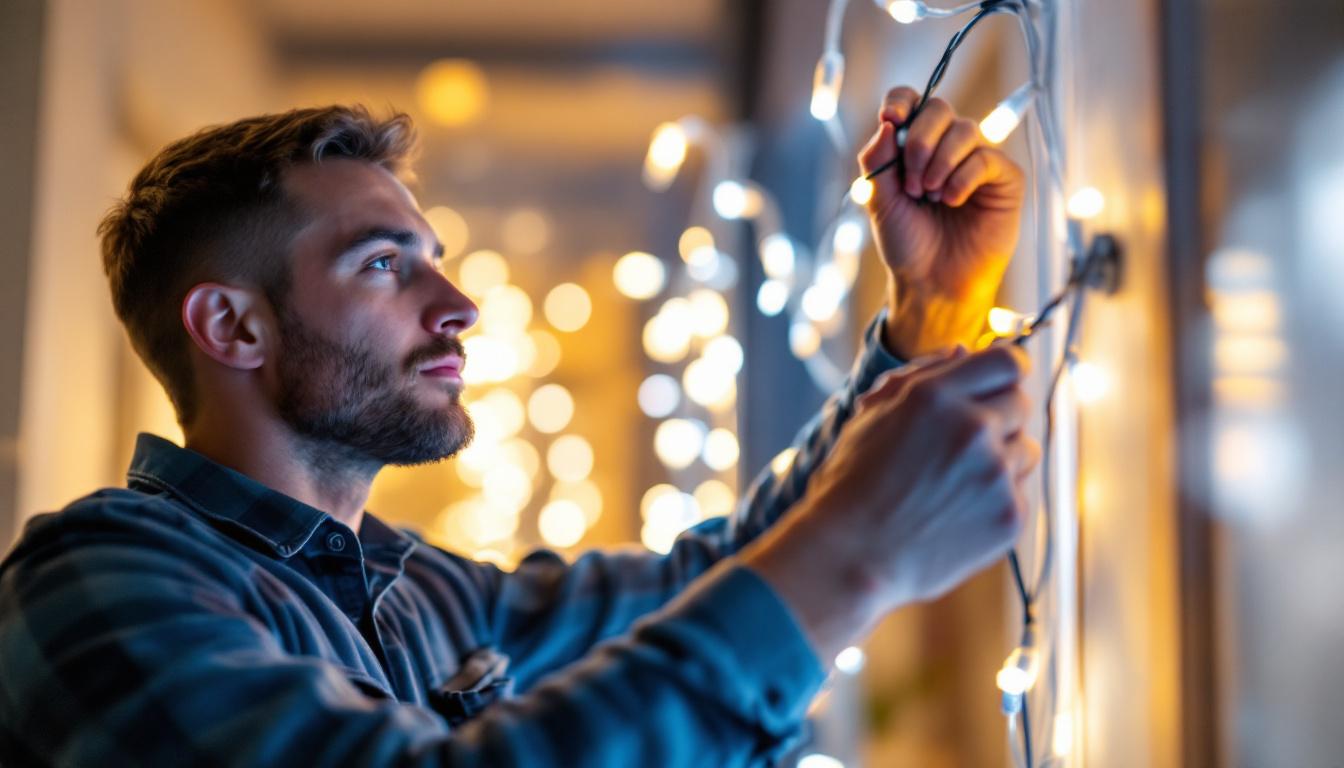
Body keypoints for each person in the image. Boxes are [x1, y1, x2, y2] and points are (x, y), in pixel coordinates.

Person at [0, 86, 1036, 766]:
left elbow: (713, 583)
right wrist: (853, 556)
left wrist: (931, 312)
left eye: (434, 259)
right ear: (233, 326)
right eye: (382, 264)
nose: (458, 306)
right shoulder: (96, 583)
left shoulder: (421, 588)